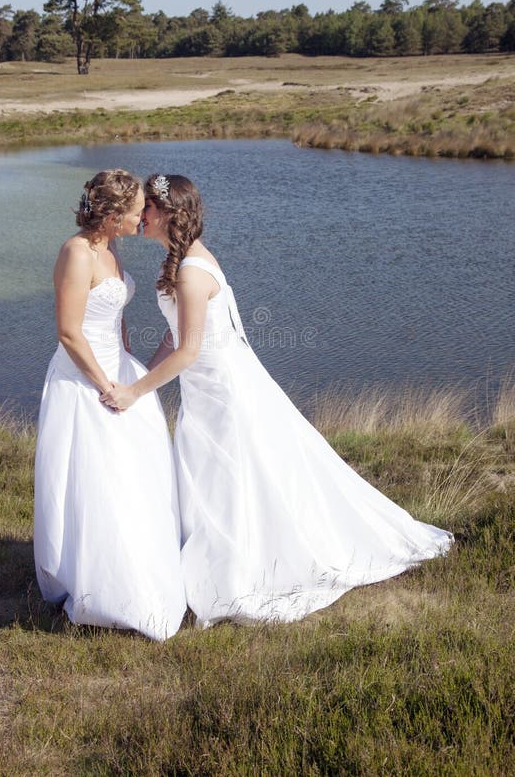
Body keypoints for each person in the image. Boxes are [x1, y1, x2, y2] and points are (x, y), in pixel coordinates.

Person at [105, 174, 453, 628]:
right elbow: (175, 334)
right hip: (207, 388)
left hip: (220, 390)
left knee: (228, 475)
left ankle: (239, 574)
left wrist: (136, 391)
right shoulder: (182, 261)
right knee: (219, 474)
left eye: (148, 208)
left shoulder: (191, 271)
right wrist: (140, 371)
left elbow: (189, 350)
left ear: (169, 214)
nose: (142, 216)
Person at [34, 169, 185, 641]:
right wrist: (105, 387)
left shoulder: (110, 248)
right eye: (139, 209)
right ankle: (91, 578)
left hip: (117, 371)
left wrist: (126, 367)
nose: (145, 216)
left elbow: (114, 313)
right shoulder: (77, 253)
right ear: (115, 214)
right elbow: (68, 332)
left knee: (132, 470)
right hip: (83, 381)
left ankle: (136, 561)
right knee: (93, 474)